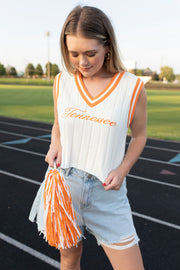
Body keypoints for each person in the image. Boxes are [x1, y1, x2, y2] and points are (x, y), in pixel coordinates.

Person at [45, 5, 147, 270]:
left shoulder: (132, 87)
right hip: (65, 188)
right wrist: (55, 142)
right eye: (74, 54)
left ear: (108, 47)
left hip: (107, 195)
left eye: (91, 53)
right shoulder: (61, 81)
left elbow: (139, 136)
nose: (82, 62)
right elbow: (58, 124)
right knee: (69, 259)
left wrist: (123, 169)